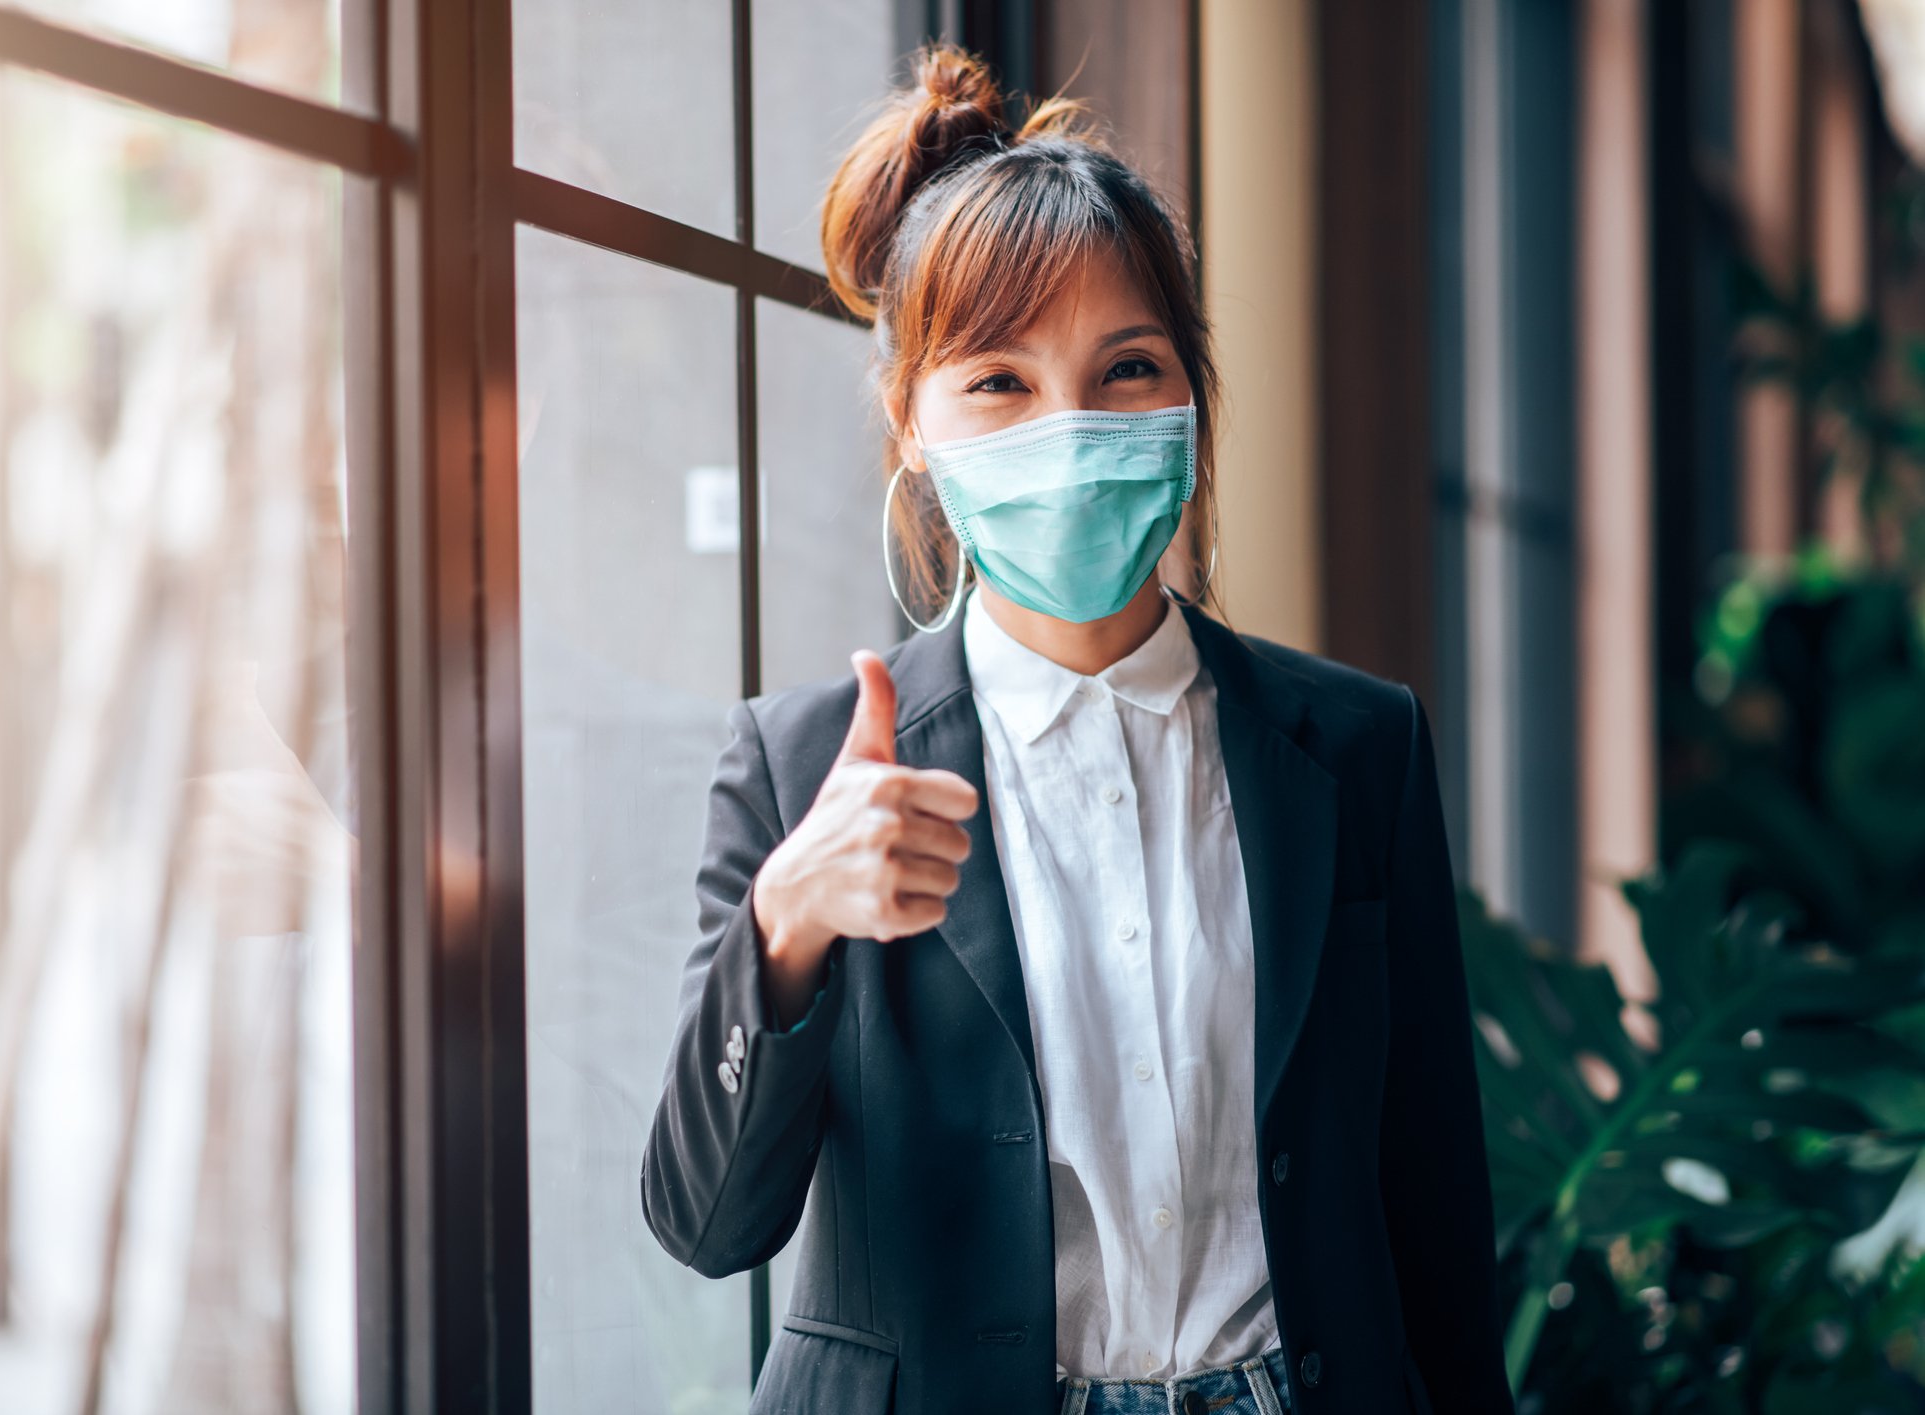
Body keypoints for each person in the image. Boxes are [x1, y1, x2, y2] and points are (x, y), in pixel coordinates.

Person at [641, 42, 1513, 1415]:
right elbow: (704, 1224)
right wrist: (788, 925)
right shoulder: (806, 770)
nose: (1071, 429)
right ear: (909, 427)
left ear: (1190, 398)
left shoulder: (1357, 748)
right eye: (999, 381)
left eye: (1126, 370)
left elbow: (1435, 1210)